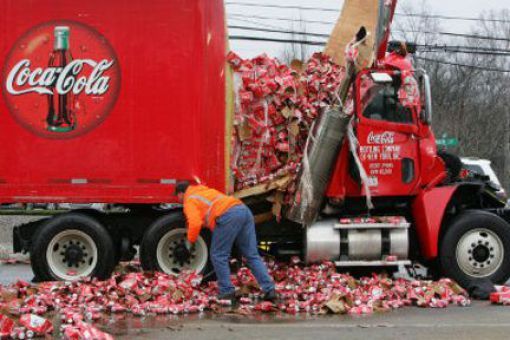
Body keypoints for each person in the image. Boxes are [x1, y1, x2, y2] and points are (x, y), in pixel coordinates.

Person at [175, 182, 276, 303]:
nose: (178, 200)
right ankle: (269, 289)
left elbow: (195, 223)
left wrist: (189, 242)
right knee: (252, 255)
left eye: (177, 197)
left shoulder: (189, 200)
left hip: (228, 216)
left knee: (218, 255)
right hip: (243, 210)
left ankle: (226, 291)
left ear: (181, 193)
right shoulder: (202, 191)